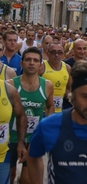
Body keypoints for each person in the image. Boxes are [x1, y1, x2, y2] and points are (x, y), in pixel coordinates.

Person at [8, 47, 54, 184]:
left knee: (27, 180)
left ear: (41, 65)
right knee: (10, 176)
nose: (32, 63)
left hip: (33, 138)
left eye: (35, 60)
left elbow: (50, 106)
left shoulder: (47, 85)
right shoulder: (10, 85)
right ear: (21, 64)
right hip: (12, 137)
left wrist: (46, 125)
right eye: (28, 60)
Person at [41, 42, 72, 112]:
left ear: (63, 54)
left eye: (60, 52)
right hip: (43, 111)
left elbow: (68, 88)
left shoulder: (67, 68)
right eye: (53, 52)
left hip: (59, 110)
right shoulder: (41, 67)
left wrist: (69, 96)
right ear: (47, 53)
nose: (56, 55)